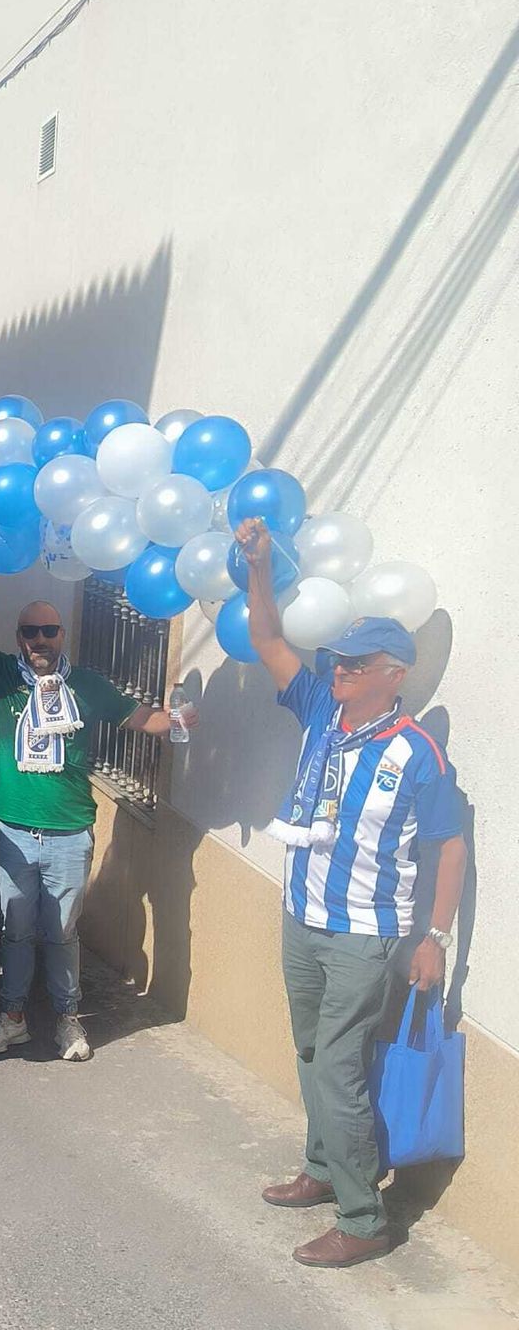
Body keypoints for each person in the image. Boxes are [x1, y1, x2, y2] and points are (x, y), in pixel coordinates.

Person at [238, 518, 466, 1268]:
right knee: (310, 1048)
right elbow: (270, 638)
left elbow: (448, 845)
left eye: (355, 664)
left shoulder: (417, 754)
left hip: (367, 933)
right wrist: (261, 569)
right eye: (336, 660)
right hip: (301, 915)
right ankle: (323, 1168)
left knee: (337, 1062)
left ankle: (365, 1218)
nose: (338, 671)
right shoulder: (318, 713)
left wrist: (434, 939)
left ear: (394, 673)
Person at [0, 556, 195, 1061]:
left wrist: (182, 718)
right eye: (30, 631)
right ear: (19, 637)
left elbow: (144, 719)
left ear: (62, 636)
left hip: (70, 834)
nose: (40, 639)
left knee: (61, 933)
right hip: (14, 831)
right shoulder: (0, 677)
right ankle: (12, 1017)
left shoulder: (89, 686)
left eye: (49, 630)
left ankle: (67, 1020)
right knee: (16, 931)